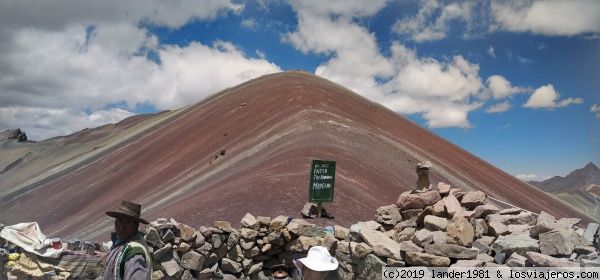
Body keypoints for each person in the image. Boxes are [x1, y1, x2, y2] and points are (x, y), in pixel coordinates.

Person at [99, 201, 152, 280]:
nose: (122, 227)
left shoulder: (133, 252)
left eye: (128, 222)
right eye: (120, 221)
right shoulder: (119, 241)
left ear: (136, 225)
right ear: (115, 221)